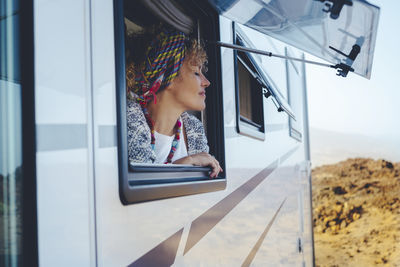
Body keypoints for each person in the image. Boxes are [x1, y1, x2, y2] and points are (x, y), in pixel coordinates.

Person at [126, 27, 222, 178]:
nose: (207, 82)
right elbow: (139, 183)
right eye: (196, 73)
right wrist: (188, 161)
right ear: (167, 78)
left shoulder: (194, 128)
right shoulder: (129, 117)